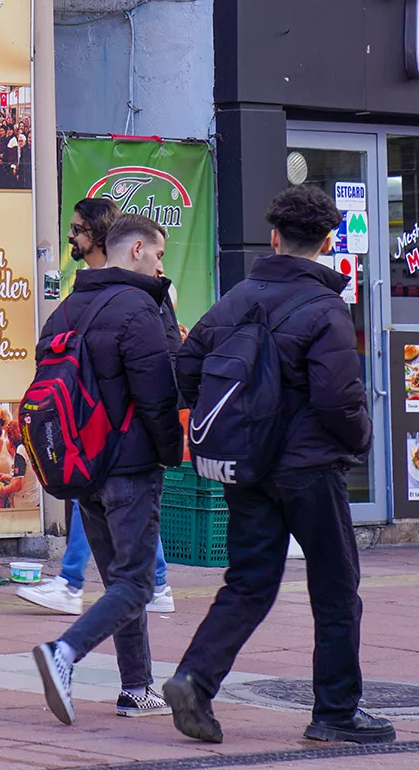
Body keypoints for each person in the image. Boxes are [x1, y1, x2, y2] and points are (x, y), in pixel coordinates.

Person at [164, 185, 392, 747]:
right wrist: (359, 441)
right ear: (327, 242)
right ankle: (336, 712)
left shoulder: (237, 297)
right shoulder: (325, 309)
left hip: (249, 468)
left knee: (249, 582)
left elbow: (185, 367)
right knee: (336, 588)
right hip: (310, 469)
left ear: (273, 237)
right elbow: (339, 398)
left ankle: (195, 677)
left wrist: (242, 423)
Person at [31, 213, 182, 726]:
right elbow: (160, 393)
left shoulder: (66, 309)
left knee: (122, 579)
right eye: (159, 254)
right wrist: (170, 453)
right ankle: (64, 652)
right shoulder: (139, 308)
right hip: (130, 465)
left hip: (82, 469)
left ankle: (137, 688)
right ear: (137, 249)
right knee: (137, 583)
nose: (162, 264)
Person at [19, 197, 176, 617]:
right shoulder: (94, 294)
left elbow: (160, 376)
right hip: (109, 445)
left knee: (124, 584)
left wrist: (164, 451)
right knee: (127, 577)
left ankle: (73, 606)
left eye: (77, 227)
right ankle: (147, 592)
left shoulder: (136, 296)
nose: (69, 234)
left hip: (103, 444)